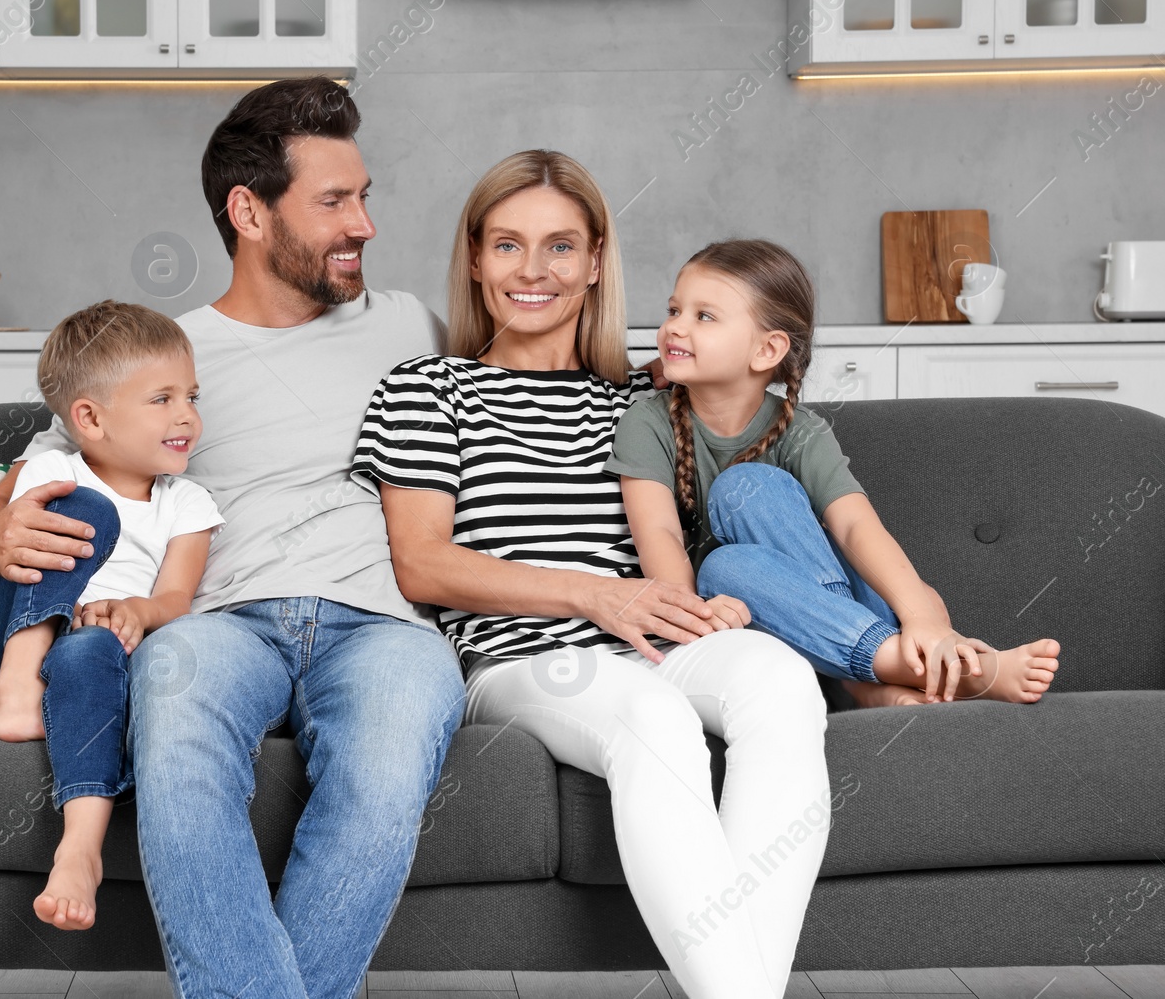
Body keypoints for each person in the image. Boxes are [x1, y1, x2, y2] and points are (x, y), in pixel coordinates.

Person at [0, 77, 467, 999]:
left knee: (387, 776)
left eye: (365, 196)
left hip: (381, 623)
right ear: (249, 212)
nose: (366, 226)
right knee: (179, 754)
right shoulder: (163, 356)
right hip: (215, 620)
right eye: (335, 202)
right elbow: (0, 505)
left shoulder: (413, 328)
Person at [355, 150, 825, 998]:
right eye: (506, 245)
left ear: (597, 260)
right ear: (473, 259)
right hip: (521, 654)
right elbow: (421, 563)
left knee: (783, 680)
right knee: (652, 718)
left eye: (560, 247)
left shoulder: (644, 401)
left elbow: (761, 402)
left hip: (650, 632)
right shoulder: (430, 388)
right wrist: (592, 593)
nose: (533, 270)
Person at [607, 237, 1061, 707]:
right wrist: (692, 614)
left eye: (704, 316)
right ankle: (904, 671)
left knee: (751, 488)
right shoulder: (647, 422)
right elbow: (657, 532)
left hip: (827, 619)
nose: (675, 328)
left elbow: (854, 523)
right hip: (751, 612)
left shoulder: (800, 430)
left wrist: (924, 618)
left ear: (767, 350)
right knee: (723, 566)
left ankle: (869, 673)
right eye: (674, 310)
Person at [0, 300, 224, 930]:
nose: (186, 416)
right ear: (88, 418)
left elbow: (175, 599)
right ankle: (19, 677)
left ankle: (80, 851)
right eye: (162, 399)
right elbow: (5, 551)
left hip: (80, 667)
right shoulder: (51, 470)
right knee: (90, 511)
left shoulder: (188, 504)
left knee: (92, 650)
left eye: (191, 397)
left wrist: (134, 611)